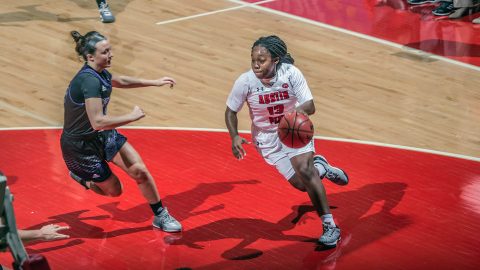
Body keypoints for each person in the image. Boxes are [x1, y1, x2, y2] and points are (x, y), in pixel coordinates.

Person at [225, 35, 349, 247]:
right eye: (253, 59)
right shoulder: (245, 82)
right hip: (266, 138)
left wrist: (291, 116)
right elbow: (230, 111)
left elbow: (310, 106)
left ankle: (330, 226)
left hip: (294, 129)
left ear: (275, 60)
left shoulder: (291, 74)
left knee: (305, 170)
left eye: (261, 60)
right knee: (301, 184)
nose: (256, 64)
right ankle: (322, 167)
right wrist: (234, 135)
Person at [60, 30, 181, 233]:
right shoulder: (88, 80)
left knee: (139, 171)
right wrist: (131, 116)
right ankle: (82, 178)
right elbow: (98, 121)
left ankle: (161, 215)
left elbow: (120, 81)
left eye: (110, 50)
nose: (111, 54)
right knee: (115, 191)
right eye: (105, 52)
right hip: (80, 147)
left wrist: (155, 81)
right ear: (90, 57)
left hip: (101, 135)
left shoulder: (100, 73)